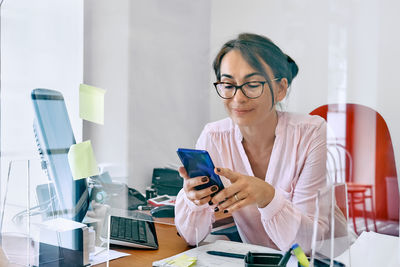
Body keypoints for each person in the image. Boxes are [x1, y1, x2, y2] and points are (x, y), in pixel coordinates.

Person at [174, 33, 328, 252]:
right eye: (228, 84)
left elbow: (307, 246)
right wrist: (193, 201)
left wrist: (267, 196)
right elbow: (192, 237)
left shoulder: (310, 133)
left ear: (280, 89)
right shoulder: (214, 136)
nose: (238, 98)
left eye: (252, 84)